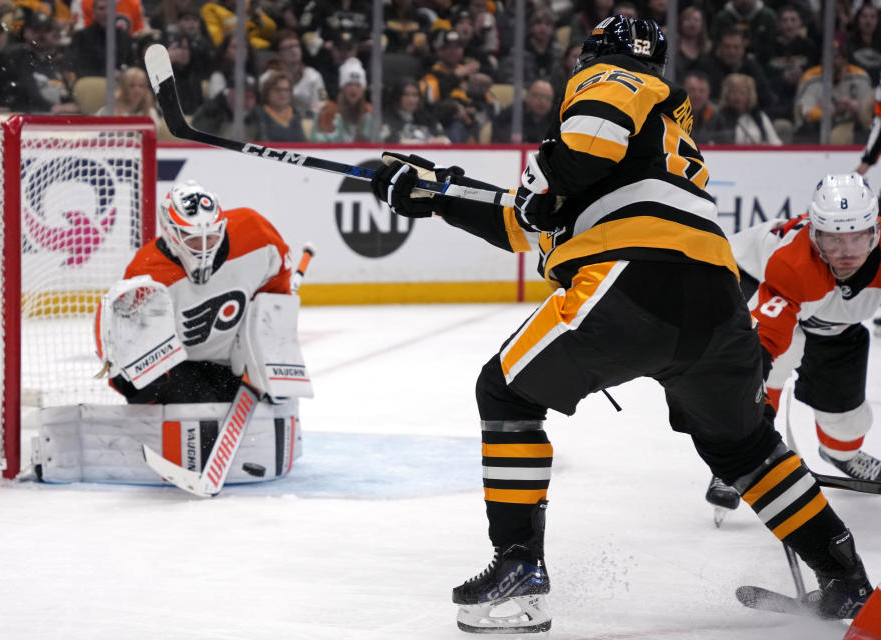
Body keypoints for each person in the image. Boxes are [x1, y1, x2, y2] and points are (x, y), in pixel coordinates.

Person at [368, 15, 872, 634]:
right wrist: (435, 194)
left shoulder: (611, 83)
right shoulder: (649, 148)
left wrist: (532, 183)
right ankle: (846, 580)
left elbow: (579, 152)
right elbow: (534, 220)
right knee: (744, 447)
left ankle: (520, 569)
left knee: (505, 391)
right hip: (715, 298)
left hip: (633, 281)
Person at [705, 173, 881, 518]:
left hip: (831, 316)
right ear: (814, 235)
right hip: (757, 278)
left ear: (875, 231)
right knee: (772, 369)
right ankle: (736, 455)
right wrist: (743, 440)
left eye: (857, 240)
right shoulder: (792, 263)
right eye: (833, 240)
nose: (846, 254)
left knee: (846, 419)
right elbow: (764, 345)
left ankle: (841, 453)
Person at [100, 179, 292, 405]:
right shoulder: (147, 272)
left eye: (210, 237)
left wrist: (272, 355)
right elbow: (122, 331)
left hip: (234, 362)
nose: (204, 248)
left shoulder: (256, 233)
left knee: (274, 412)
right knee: (189, 413)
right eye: (193, 240)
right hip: (178, 368)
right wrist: (132, 381)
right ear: (172, 233)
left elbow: (276, 294)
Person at [700, 73, 782, 144]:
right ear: (726, 94)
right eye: (733, 92)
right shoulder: (718, 117)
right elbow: (711, 142)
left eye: (742, 92)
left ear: (750, 95)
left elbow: (775, 142)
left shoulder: (758, 116)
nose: (737, 96)